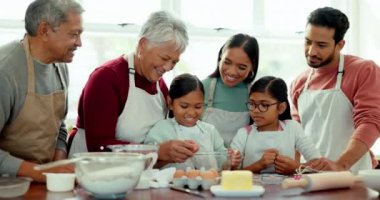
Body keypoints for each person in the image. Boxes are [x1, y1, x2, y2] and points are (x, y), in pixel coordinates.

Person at [68, 11, 194, 166]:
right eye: (164, 58)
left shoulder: (161, 87)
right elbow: (98, 147)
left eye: (174, 62)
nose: (168, 67)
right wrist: (155, 151)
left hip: (133, 173)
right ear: (142, 45)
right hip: (89, 173)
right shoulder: (107, 78)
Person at [0, 0, 84, 182]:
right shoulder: (5, 71)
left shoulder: (60, 67)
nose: (79, 43)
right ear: (44, 30)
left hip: (42, 182)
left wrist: (58, 166)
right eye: (74, 34)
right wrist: (41, 172)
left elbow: (59, 125)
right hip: (8, 185)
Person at [290, 7, 380, 174]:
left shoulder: (364, 70)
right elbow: (296, 134)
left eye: (321, 45)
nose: (311, 51)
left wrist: (340, 165)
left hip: (351, 175)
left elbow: (371, 122)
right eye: (308, 41)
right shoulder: (298, 83)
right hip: (309, 177)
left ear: (340, 45)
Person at [145, 73, 241, 170]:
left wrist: (231, 160)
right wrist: (167, 157)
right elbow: (147, 162)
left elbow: (222, 162)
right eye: (184, 106)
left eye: (198, 106)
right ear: (170, 103)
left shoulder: (210, 131)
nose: (191, 112)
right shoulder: (161, 129)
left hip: (208, 184)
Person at [231, 76, 321, 174]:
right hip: (252, 188)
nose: (255, 110)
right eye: (252, 104)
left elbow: (318, 164)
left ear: (281, 108)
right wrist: (258, 165)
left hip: (287, 188)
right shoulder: (244, 134)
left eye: (264, 105)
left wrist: (296, 168)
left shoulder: (293, 128)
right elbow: (231, 172)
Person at [201, 33, 259, 147]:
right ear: (220, 58)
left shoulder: (255, 94)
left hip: (241, 163)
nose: (232, 72)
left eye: (241, 67)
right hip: (206, 162)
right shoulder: (201, 88)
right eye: (227, 62)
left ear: (252, 66)